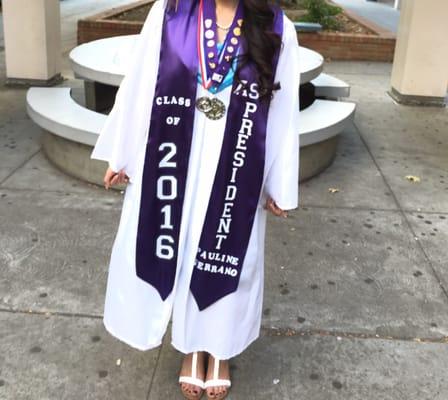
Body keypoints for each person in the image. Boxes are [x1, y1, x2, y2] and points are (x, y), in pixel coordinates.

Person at [91, 0, 300, 398]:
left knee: (225, 252)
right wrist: (123, 153)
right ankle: (190, 346)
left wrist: (280, 182)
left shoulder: (277, 27)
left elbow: (284, 108)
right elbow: (142, 80)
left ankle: (217, 349)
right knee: (180, 248)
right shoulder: (171, 12)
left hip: (236, 158)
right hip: (174, 153)